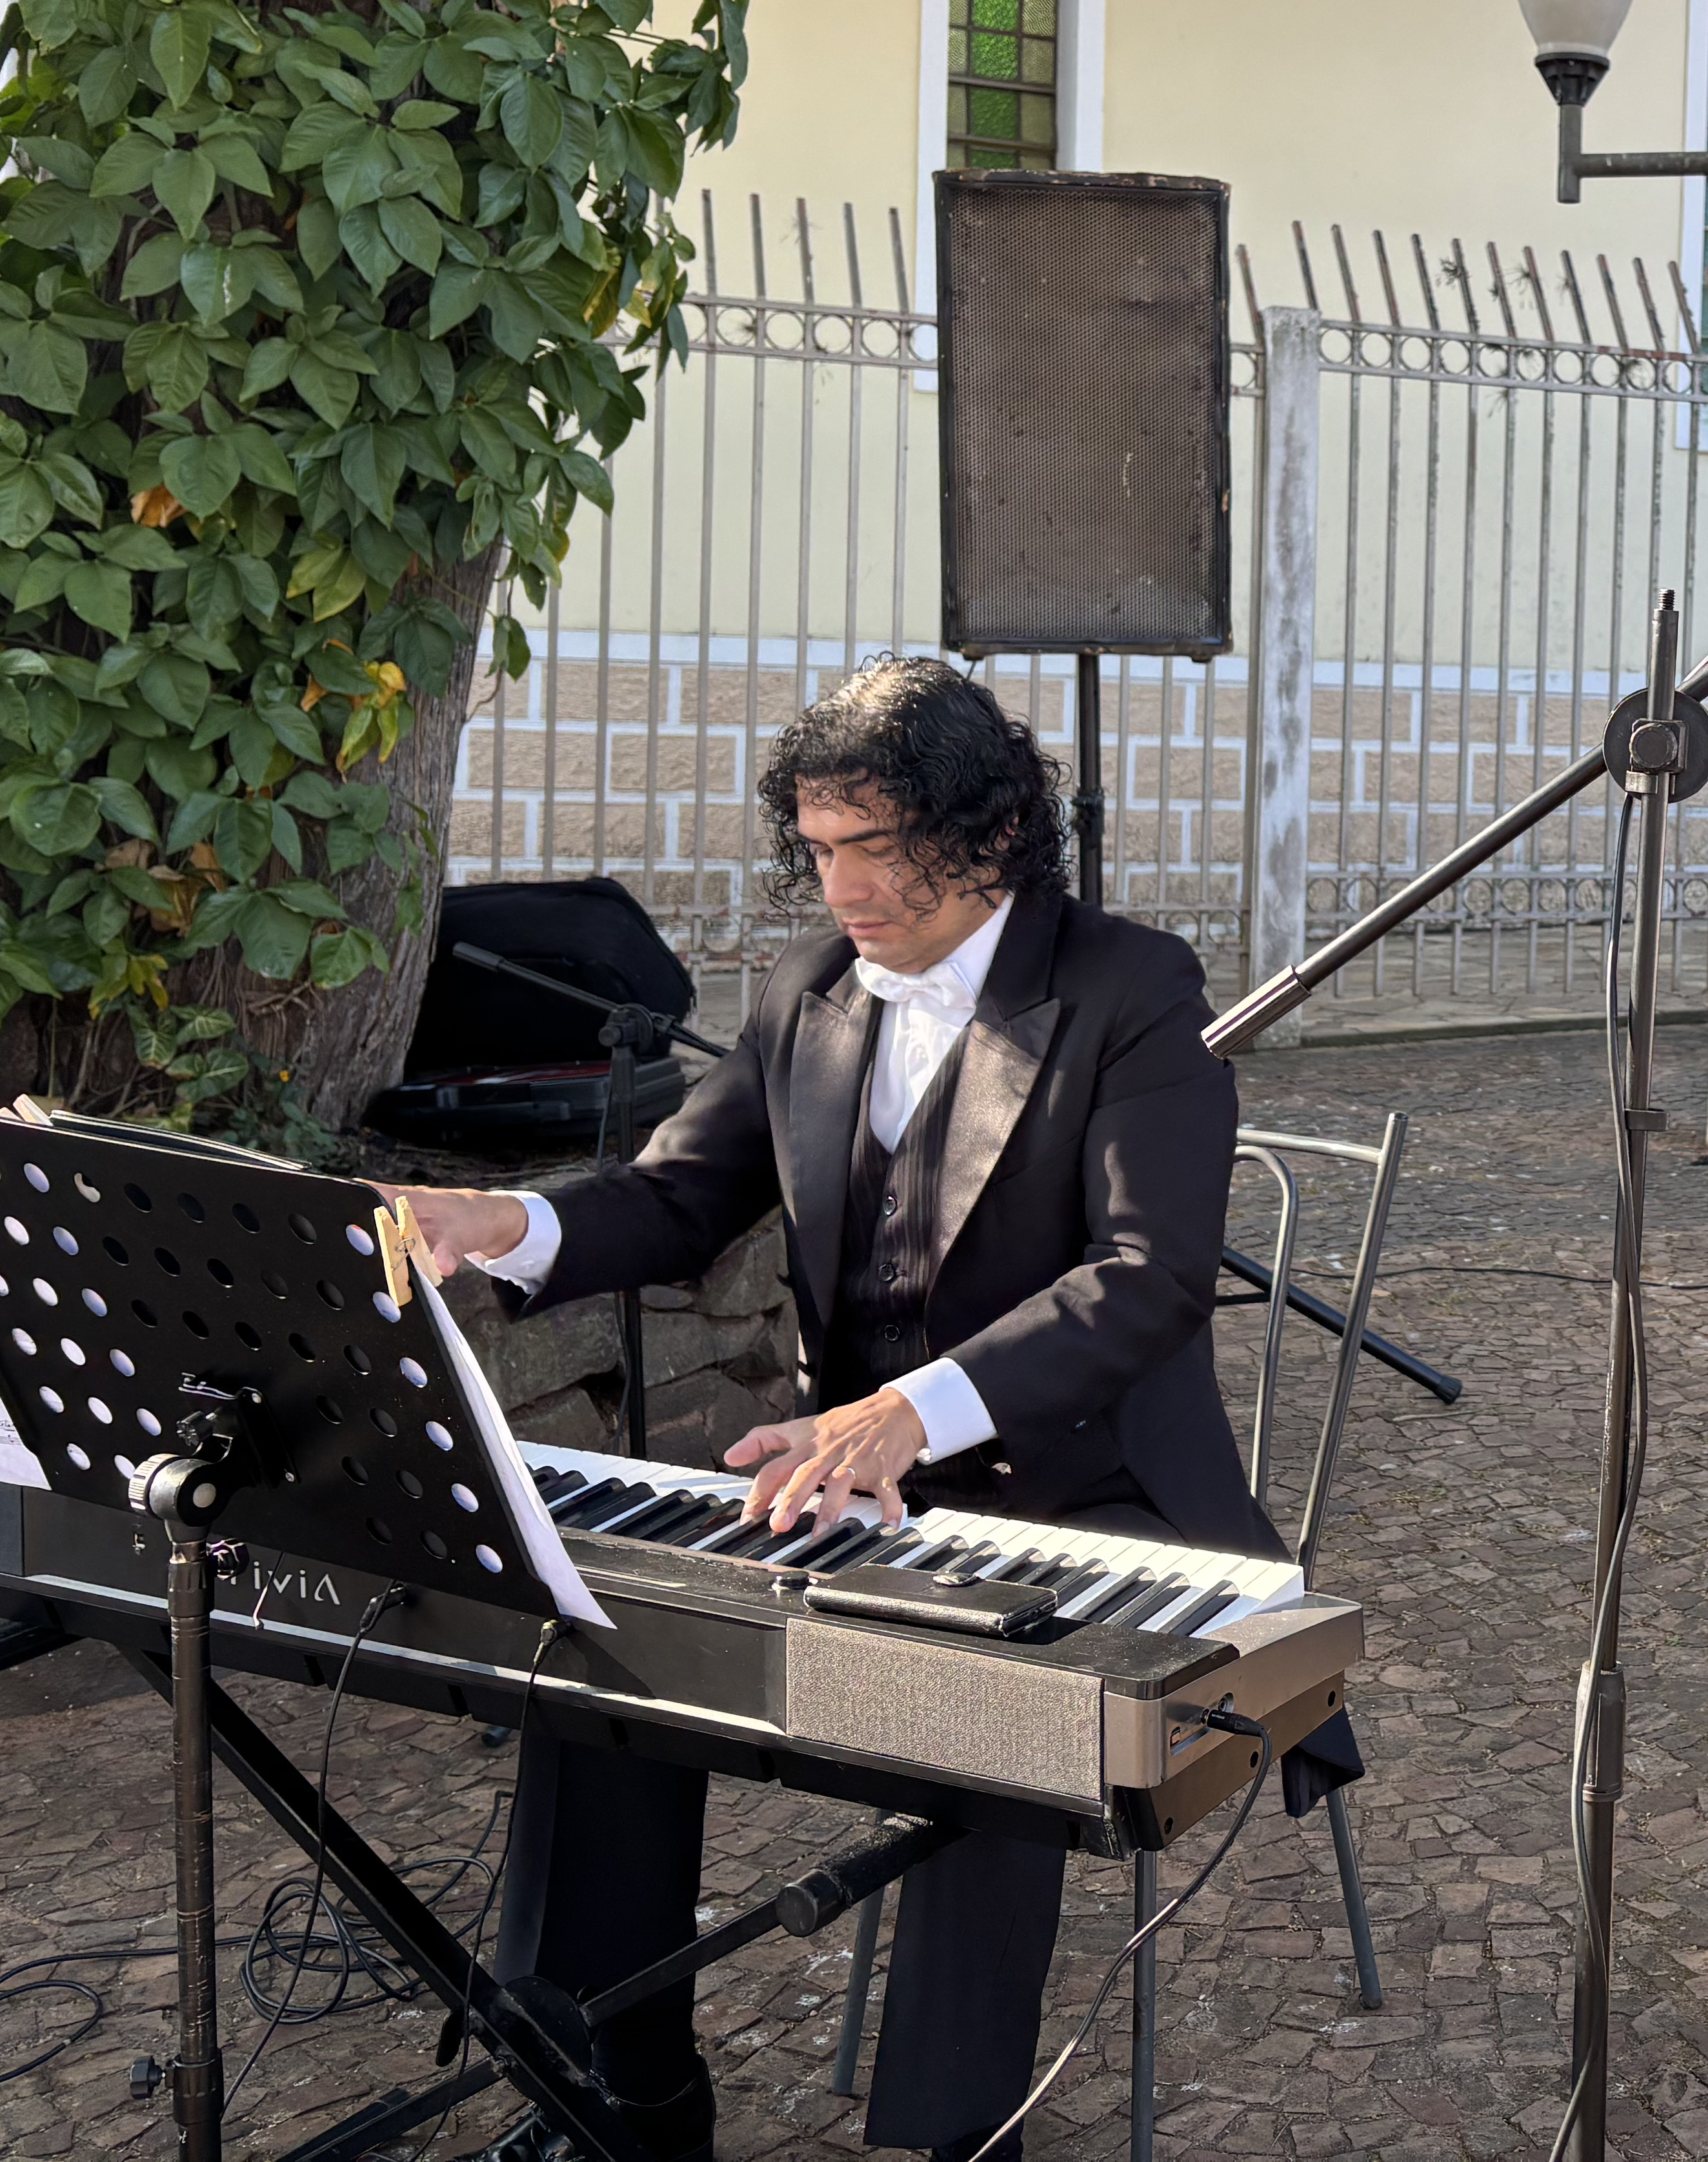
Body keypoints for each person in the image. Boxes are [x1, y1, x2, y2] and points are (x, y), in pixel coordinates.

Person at [389, 654, 1276, 2162]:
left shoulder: (1132, 989)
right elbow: (680, 1196)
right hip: (840, 1476)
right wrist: (509, 1227)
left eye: (877, 847)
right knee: (602, 1643)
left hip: (1077, 1484)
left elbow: (1150, 1280)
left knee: (984, 1704)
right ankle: (619, 2092)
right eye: (821, 847)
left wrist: (912, 1411)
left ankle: (946, 2136)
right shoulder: (805, 988)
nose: (842, 884)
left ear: (992, 837)